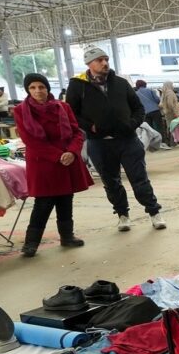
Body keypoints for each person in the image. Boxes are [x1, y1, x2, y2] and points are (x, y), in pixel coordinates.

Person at [66, 46, 166, 231]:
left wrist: (132, 124)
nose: (104, 63)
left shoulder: (120, 83)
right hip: (99, 143)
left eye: (106, 59)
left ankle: (154, 212)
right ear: (89, 63)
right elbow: (71, 113)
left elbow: (139, 108)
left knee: (139, 179)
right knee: (110, 181)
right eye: (99, 60)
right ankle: (122, 215)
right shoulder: (77, 86)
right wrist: (90, 126)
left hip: (127, 140)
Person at [11, 73, 93, 257]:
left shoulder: (63, 107)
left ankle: (67, 236)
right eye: (32, 87)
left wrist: (72, 152)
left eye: (41, 86)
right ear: (27, 90)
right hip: (43, 162)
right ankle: (31, 243)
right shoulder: (20, 111)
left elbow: (77, 133)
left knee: (65, 199)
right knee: (43, 203)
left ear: (47, 88)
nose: (38, 91)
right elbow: (30, 140)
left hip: (67, 160)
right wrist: (58, 156)